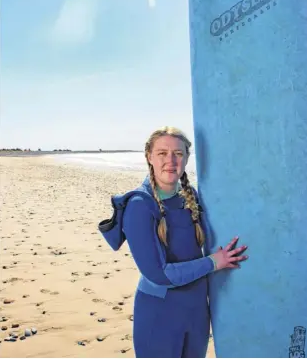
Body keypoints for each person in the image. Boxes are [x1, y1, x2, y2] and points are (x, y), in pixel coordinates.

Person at [100, 126, 248, 358]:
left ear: (187, 158)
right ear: (149, 156)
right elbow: (158, 274)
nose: (170, 160)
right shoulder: (139, 206)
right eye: (162, 153)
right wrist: (213, 263)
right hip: (160, 312)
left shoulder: (191, 197)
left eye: (178, 154)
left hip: (198, 311)